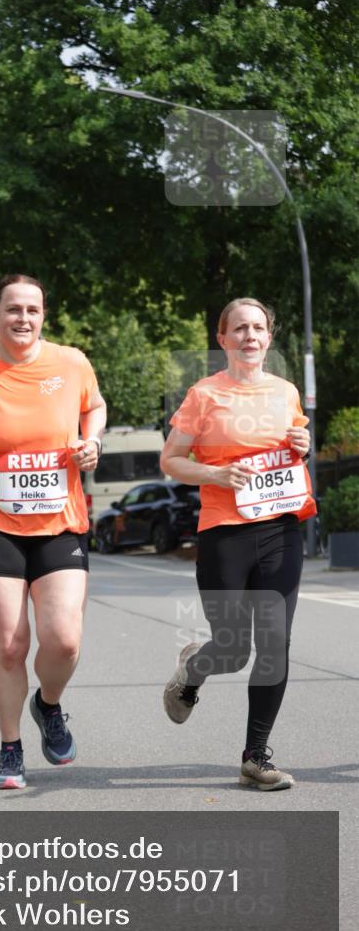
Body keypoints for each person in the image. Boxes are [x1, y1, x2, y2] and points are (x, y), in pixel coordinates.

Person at [0, 273, 106, 789]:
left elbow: (93, 407)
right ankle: (10, 749)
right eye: (12, 309)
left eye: (32, 309)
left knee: (64, 641)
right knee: (10, 645)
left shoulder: (72, 362)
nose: (23, 319)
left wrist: (91, 441)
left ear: (44, 315)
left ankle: (47, 704)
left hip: (59, 520)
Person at [160, 296, 315, 791]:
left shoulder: (285, 392)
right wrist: (217, 473)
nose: (250, 336)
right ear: (222, 339)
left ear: (269, 337)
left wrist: (302, 447)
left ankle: (255, 756)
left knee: (275, 645)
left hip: (280, 529)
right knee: (232, 649)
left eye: (258, 328)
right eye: (239, 329)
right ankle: (193, 669)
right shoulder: (204, 395)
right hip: (224, 531)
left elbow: (294, 449)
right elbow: (171, 460)